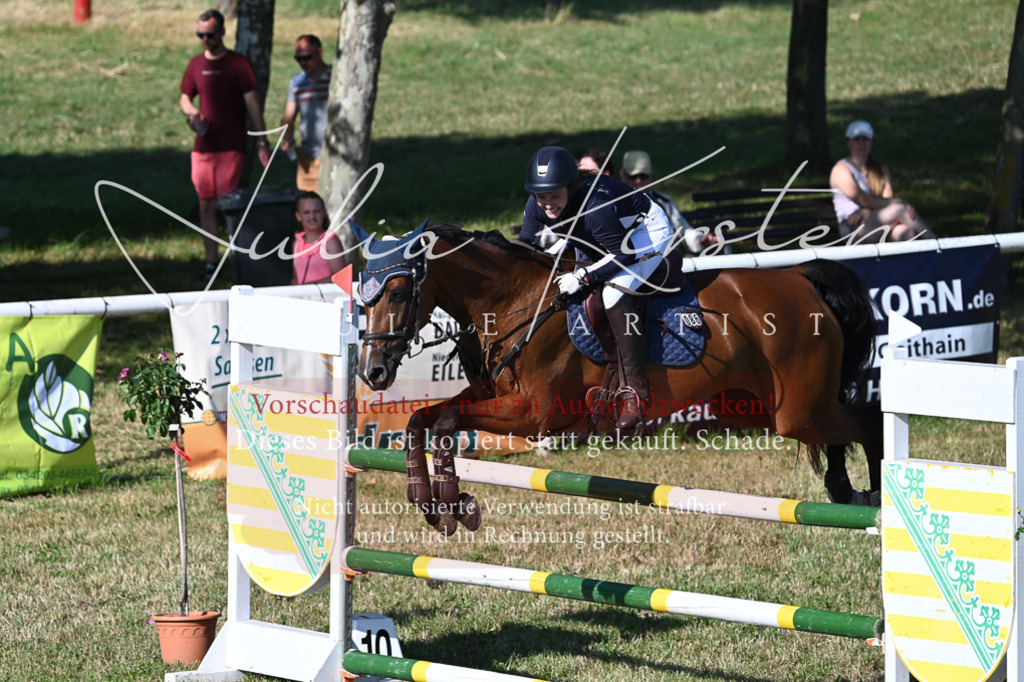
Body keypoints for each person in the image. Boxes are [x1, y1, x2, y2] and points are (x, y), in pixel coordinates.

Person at [519, 146, 672, 431]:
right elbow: (525, 249)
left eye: (555, 196)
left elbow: (623, 255)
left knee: (613, 293)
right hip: (596, 234)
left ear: (570, 187)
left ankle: (635, 393)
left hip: (643, 233)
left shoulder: (595, 208)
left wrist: (583, 277)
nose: (548, 204)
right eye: (542, 197)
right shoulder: (536, 204)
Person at [180, 8, 271, 279]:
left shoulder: (237, 64)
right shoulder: (196, 64)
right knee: (205, 203)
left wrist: (263, 140)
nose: (205, 39)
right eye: (200, 34)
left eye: (209, 34)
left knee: (227, 204)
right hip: (203, 147)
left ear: (222, 32)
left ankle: (237, 259)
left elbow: (253, 105)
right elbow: (185, 96)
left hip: (231, 145)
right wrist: (192, 113)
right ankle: (211, 263)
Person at [829, 120, 936, 242]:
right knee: (900, 208)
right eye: (856, 139)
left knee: (906, 233)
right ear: (848, 142)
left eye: (866, 139)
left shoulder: (880, 168)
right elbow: (863, 199)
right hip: (852, 227)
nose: (861, 143)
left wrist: (865, 211)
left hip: (876, 220)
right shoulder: (841, 169)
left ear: (872, 141)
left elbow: (888, 198)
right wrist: (900, 202)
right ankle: (936, 243)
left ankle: (916, 260)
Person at [619, 150, 717, 255]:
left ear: (651, 175)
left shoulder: (665, 202)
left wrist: (700, 240)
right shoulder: (617, 206)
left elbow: (684, 231)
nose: (638, 181)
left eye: (643, 176)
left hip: (676, 261)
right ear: (622, 175)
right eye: (632, 176)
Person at [280, 35, 332, 192]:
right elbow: (288, 116)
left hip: (336, 156)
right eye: (299, 59)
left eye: (307, 58)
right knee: (308, 207)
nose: (303, 63)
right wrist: (287, 135)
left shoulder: (336, 78)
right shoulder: (297, 83)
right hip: (308, 157)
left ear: (319, 53)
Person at [291, 191, 343, 285]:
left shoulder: (330, 241)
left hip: (326, 298)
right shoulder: (297, 244)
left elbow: (340, 277)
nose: (312, 216)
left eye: (316, 211)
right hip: (302, 299)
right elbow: (295, 278)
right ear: (298, 216)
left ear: (324, 213)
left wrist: (309, 287)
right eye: (306, 212)